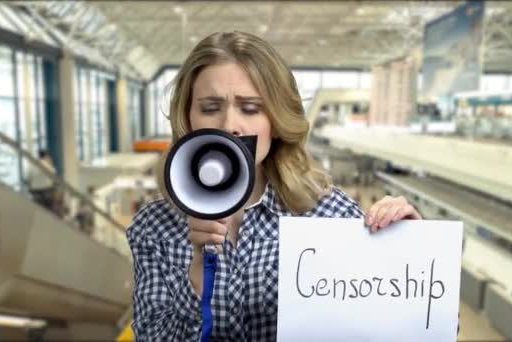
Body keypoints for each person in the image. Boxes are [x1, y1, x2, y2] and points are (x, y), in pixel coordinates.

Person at [126, 31, 422, 341]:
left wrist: (410, 252)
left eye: (251, 109)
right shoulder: (154, 228)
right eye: (211, 107)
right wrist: (197, 283)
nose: (229, 126)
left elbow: (419, 328)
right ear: (187, 118)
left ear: (276, 122)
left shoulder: (329, 215)